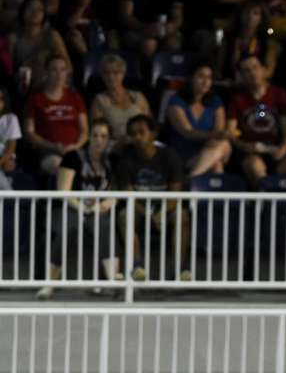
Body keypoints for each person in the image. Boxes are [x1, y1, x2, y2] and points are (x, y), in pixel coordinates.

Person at [36, 119, 123, 300]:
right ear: (88, 137)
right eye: (95, 135)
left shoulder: (113, 160)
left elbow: (117, 190)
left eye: (104, 136)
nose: (99, 140)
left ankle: (114, 281)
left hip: (99, 209)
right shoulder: (73, 157)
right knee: (68, 228)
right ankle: (49, 284)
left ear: (109, 140)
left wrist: (108, 202)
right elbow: (63, 190)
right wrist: (82, 207)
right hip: (72, 206)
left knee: (106, 225)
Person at [115, 114, 191, 282]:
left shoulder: (170, 156)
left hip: (166, 208)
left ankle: (179, 268)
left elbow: (176, 193)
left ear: (153, 134)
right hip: (140, 209)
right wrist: (150, 215)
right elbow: (128, 196)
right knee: (123, 215)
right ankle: (137, 266)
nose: (137, 137)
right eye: (133, 134)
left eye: (142, 132)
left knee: (183, 216)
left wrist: (161, 213)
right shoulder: (125, 161)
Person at [227, 54, 286, 188]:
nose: (252, 73)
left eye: (255, 68)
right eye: (247, 70)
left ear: (263, 70)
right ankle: (266, 206)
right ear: (242, 76)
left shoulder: (280, 95)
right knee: (255, 167)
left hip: (275, 148)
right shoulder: (237, 99)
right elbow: (231, 133)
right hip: (250, 150)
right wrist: (244, 145)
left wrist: (283, 149)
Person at [23, 54, 88, 178]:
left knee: (85, 165)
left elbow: (84, 130)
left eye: (62, 69)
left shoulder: (75, 97)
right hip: (47, 151)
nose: (59, 74)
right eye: (54, 69)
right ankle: (68, 198)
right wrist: (52, 146)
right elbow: (29, 132)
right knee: (62, 167)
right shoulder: (35, 99)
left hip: (74, 149)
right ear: (46, 72)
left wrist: (75, 146)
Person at [166, 61, 231, 177]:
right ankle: (193, 180)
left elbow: (218, 132)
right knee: (217, 163)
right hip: (184, 155)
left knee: (221, 147)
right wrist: (214, 135)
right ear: (191, 78)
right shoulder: (176, 101)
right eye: (201, 76)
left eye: (209, 77)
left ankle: (191, 179)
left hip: (209, 150)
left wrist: (217, 136)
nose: (206, 82)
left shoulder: (216, 101)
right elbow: (188, 133)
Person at [10, 0, 71, 92]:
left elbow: (68, 65)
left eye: (39, 10)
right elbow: (8, 70)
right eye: (30, 8)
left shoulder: (52, 35)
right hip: (24, 88)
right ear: (22, 11)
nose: (35, 12)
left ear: (44, 14)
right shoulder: (13, 38)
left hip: (50, 85)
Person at [90, 53, 151, 141]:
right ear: (102, 76)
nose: (111, 77)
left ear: (123, 74)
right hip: (114, 145)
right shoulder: (99, 101)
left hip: (139, 142)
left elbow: (149, 124)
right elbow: (99, 133)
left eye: (115, 73)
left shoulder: (138, 96)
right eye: (107, 73)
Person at [223, 0, 279, 80]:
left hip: (256, 81)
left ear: (261, 17)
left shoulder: (265, 39)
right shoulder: (230, 38)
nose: (250, 17)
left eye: (255, 13)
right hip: (232, 81)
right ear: (240, 14)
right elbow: (222, 66)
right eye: (246, 12)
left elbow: (269, 71)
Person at [0, 85, 21, 186]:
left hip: (4, 157)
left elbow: (10, 149)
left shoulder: (11, 119)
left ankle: (8, 193)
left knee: (9, 164)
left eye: (0, 99)